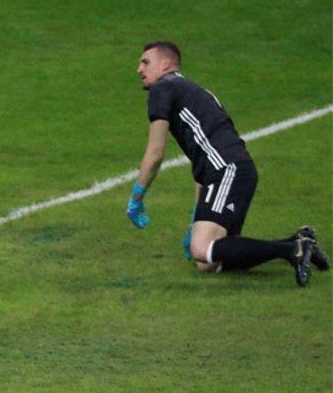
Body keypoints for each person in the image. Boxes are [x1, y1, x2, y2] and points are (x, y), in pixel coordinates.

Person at [129, 40, 328, 285]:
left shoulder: (163, 89)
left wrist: (137, 196)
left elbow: (156, 151)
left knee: (201, 248)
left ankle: (292, 251)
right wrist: (196, 218)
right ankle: (297, 240)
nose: (139, 69)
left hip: (228, 171)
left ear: (166, 64)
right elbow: (202, 155)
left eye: (145, 62)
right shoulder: (193, 91)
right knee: (206, 262)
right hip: (232, 170)